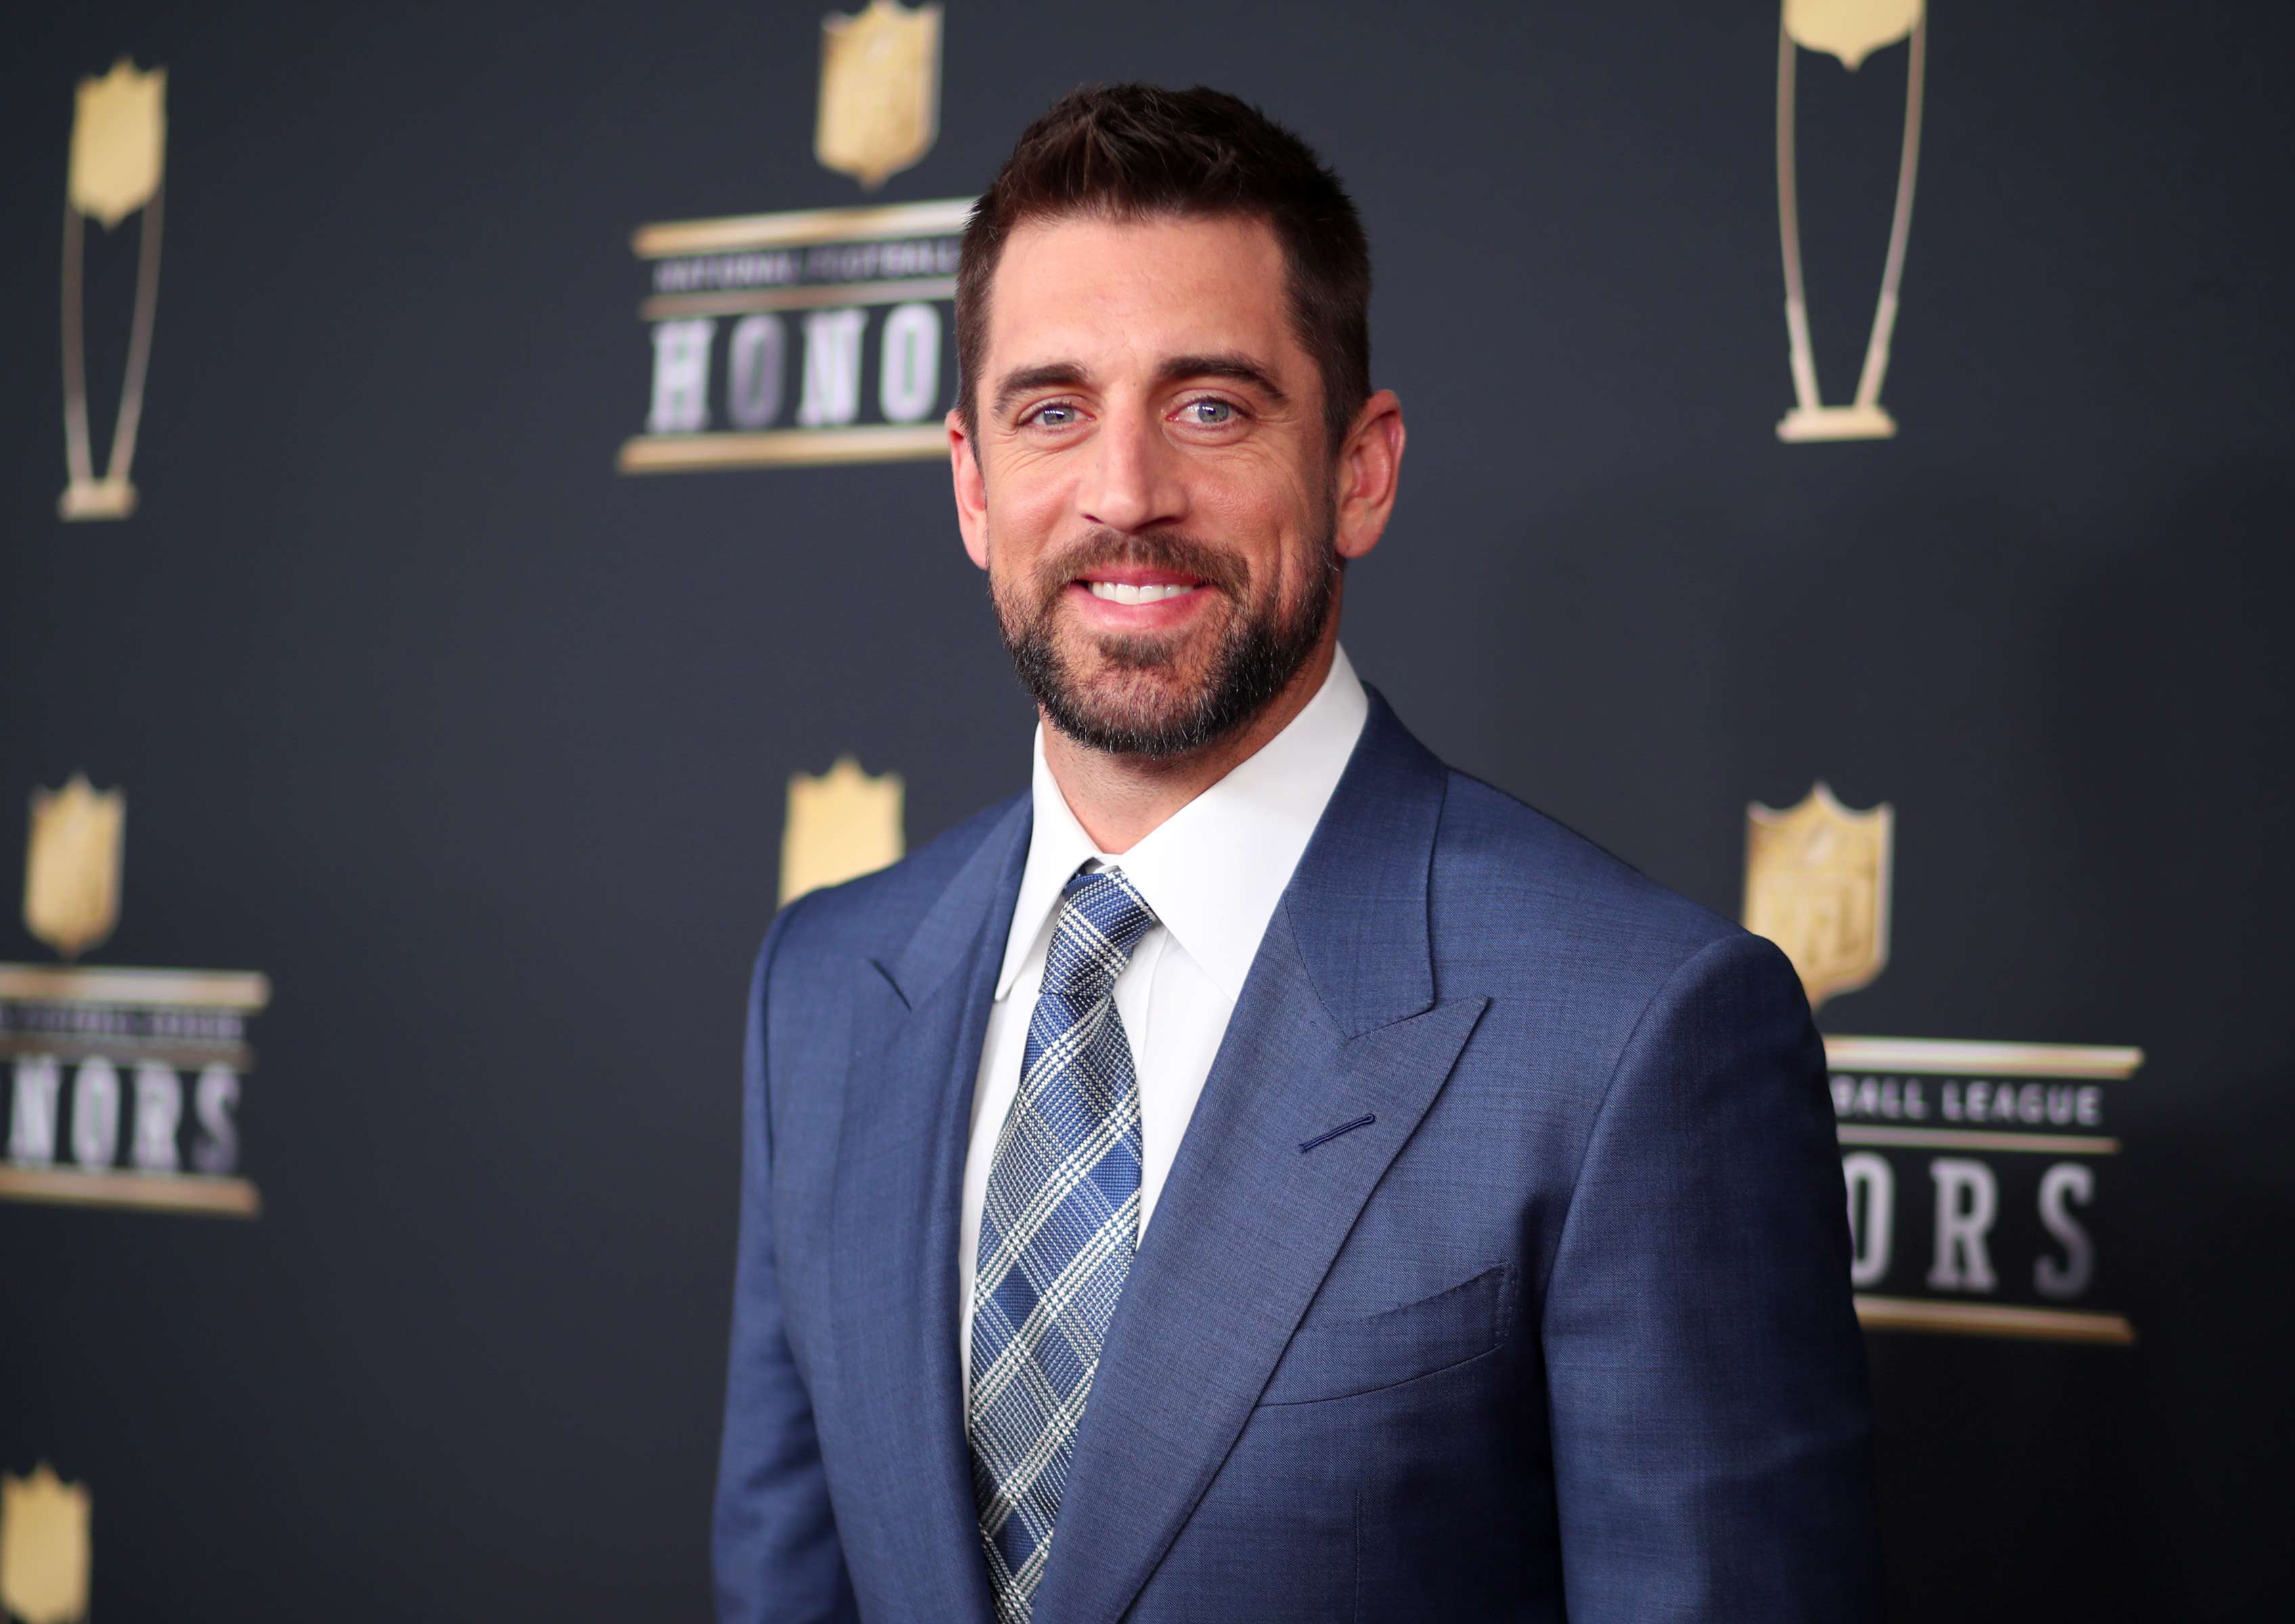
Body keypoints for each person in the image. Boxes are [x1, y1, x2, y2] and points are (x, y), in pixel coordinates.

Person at [714, 84, 1881, 1624]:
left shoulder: (1637, 1033)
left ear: (1361, 472)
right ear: (972, 487)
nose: (1126, 492)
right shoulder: (827, 986)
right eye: (1053, 410)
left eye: (1212, 406)